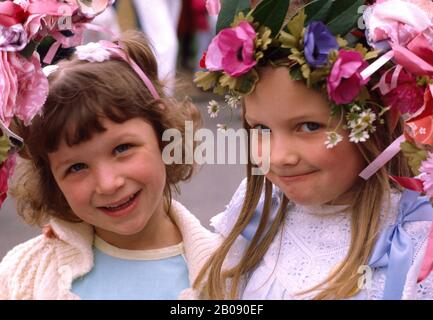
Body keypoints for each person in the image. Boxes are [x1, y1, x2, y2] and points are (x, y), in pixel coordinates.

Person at [193, 0, 433, 299]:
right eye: (261, 129)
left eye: (308, 127)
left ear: (379, 117)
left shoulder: (414, 244)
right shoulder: (255, 216)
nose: (280, 157)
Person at [0, 30, 219, 300]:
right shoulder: (23, 276)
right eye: (77, 167)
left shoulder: (228, 271)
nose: (108, 183)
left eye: (122, 148)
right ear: (52, 181)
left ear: (164, 137)